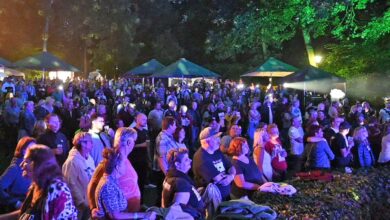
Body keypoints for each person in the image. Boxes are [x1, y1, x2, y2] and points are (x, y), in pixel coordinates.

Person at [0, 144, 77, 219]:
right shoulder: (36, 186)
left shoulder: (58, 189)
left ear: (39, 164)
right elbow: (26, 213)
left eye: (26, 161)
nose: (21, 165)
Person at [88, 127, 141, 213]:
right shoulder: (111, 161)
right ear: (129, 142)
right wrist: (93, 208)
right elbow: (92, 184)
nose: (134, 145)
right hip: (120, 214)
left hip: (129, 213)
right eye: (134, 141)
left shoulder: (124, 158)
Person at [93, 148, 156, 219]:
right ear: (117, 167)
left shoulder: (112, 180)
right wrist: (143, 215)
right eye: (124, 164)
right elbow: (116, 216)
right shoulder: (108, 186)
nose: (126, 167)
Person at [193, 127, 236, 201]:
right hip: (214, 201)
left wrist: (231, 176)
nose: (219, 141)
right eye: (216, 138)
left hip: (225, 196)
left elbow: (231, 167)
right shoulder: (201, 158)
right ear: (207, 141)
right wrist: (230, 176)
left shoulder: (216, 151)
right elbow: (221, 180)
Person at [62, 132, 96, 220]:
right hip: (79, 206)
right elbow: (70, 184)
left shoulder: (89, 158)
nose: (92, 143)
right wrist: (81, 202)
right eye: (90, 141)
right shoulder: (72, 161)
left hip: (90, 202)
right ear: (82, 143)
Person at [162, 148, 205, 216]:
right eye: (186, 160)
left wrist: (193, 192)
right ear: (177, 164)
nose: (190, 160)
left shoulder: (168, 178)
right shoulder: (181, 183)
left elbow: (164, 204)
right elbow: (179, 214)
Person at [0, 137, 35, 211]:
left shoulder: (33, 167)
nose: (34, 152)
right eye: (31, 149)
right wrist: (16, 203)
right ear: (23, 151)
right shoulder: (15, 168)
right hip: (17, 210)